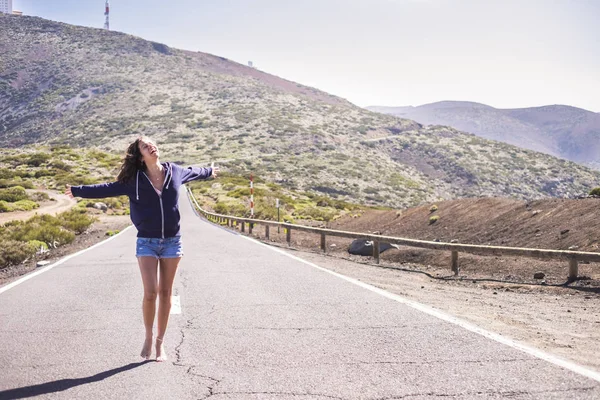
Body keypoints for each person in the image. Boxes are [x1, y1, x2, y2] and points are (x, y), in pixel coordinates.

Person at [65, 136, 218, 362]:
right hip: (146, 240)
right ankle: (148, 336)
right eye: (145, 146)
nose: (151, 146)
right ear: (140, 156)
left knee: (166, 293)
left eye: (152, 143)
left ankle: (160, 343)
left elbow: (195, 171)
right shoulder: (134, 180)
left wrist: (209, 171)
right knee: (151, 293)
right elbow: (107, 188)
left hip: (172, 242)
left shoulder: (174, 171)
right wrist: (78, 190)